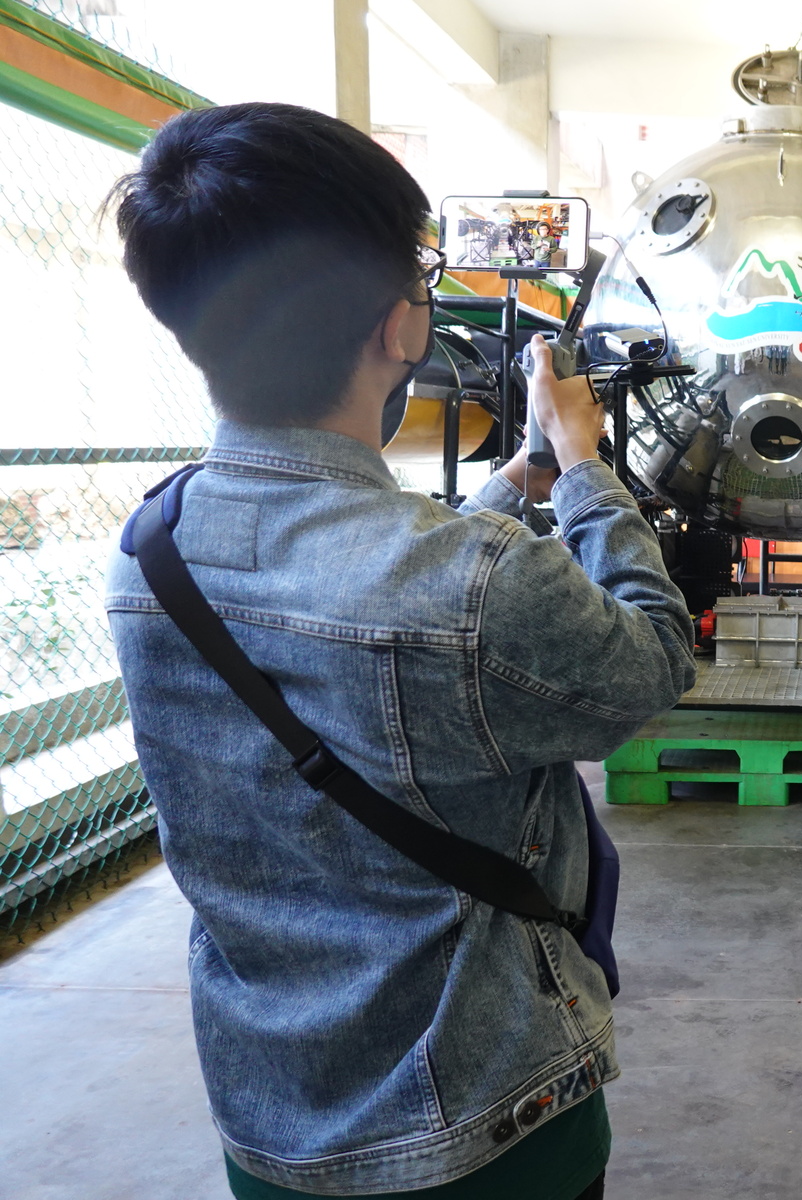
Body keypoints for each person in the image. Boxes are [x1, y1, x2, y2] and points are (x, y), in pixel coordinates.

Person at [104, 103, 695, 1197]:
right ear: (402, 328)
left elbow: (384, 587)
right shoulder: (474, 584)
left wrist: (512, 482)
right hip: (488, 1130)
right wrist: (579, 469)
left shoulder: (150, 551)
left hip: (271, 1119)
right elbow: (652, 659)